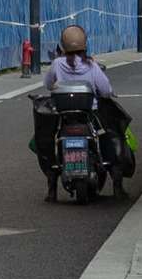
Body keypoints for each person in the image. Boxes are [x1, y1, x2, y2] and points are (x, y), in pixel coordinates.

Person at [46, 25, 127, 197]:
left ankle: (52, 188)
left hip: (64, 116)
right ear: (85, 45)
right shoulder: (91, 65)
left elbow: (48, 85)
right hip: (90, 115)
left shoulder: (57, 64)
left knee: (48, 141)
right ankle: (117, 186)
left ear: (62, 46)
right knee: (108, 140)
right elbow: (105, 90)